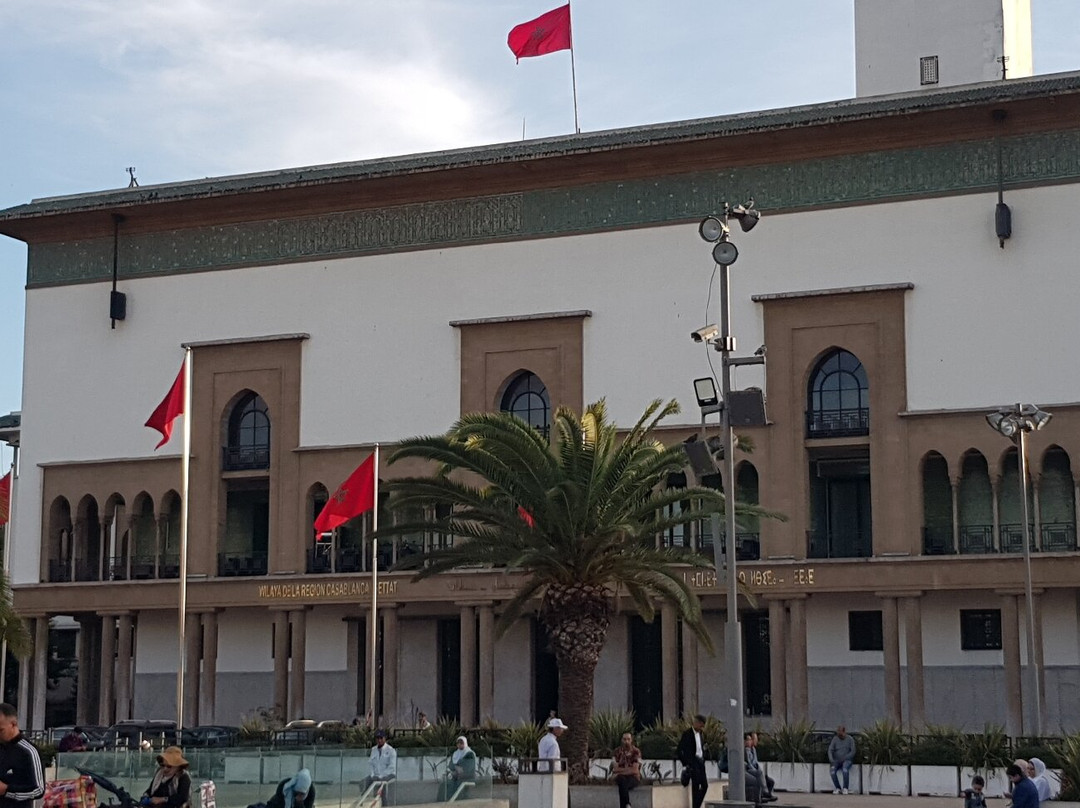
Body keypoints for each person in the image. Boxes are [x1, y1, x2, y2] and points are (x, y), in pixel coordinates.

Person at [0, 703, 44, 808]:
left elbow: (38, 790)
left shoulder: (28, 751)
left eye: (1, 730)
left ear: (13, 724)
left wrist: (7, 790)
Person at [677, 715, 708, 808]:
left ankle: (697, 806)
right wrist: (686, 763)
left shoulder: (701, 734)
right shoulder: (687, 734)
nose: (701, 727)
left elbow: (702, 747)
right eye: (701, 725)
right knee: (695, 786)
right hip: (693, 762)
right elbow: (679, 749)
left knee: (704, 786)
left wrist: (705, 756)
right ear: (696, 723)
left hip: (701, 762)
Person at [437, 736, 476, 801]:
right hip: (455, 776)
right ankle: (443, 801)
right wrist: (456, 768)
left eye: (461, 743)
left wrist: (457, 768)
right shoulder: (456, 753)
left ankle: (456, 800)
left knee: (455, 784)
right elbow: (451, 765)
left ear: (465, 743)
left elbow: (467, 767)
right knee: (444, 784)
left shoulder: (469, 754)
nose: (459, 745)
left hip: (466, 776)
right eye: (458, 743)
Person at [745, 733, 777, 804]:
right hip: (749, 770)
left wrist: (759, 769)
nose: (756, 741)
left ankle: (767, 794)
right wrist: (756, 770)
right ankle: (764, 792)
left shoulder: (753, 750)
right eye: (753, 739)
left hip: (755, 769)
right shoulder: (746, 750)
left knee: (770, 781)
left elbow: (756, 762)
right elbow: (749, 763)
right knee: (759, 775)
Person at [612, 732, 641, 808]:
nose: (626, 741)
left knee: (622, 784)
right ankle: (627, 805)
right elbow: (615, 769)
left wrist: (620, 770)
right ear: (622, 740)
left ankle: (625, 805)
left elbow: (635, 770)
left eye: (628, 739)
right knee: (622, 780)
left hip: (633, 778)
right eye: (624, 739)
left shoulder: (636, 752)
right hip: (621, 777)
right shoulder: (616, 752)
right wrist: (628, 770)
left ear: (631, 740)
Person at [366, 730, 397, 800]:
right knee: (365, 781)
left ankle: (384, 802)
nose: (379, 740)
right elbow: (371, 763)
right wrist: (372, 775)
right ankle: (363, 802)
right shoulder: (373, 749)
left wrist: (381, 776)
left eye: (381, 738)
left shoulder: (391, 750)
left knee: (382, 783)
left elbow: (392, 767)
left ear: (384, 738)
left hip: (388, 775)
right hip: (376, 775)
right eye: (377, 738)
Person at [827, 725, 855, 795]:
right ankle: (838, 788)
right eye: (838, 734)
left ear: (844, 732)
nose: (840, 736)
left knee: (845, 769)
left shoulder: (850, 739)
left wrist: (846, 757)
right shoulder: (835, 739)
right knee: (832, 771)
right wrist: (831, 759)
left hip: (847, 760)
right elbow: (830, 750)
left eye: (841, 734)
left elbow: (853, 751)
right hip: (836, 760)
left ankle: (845, 788)